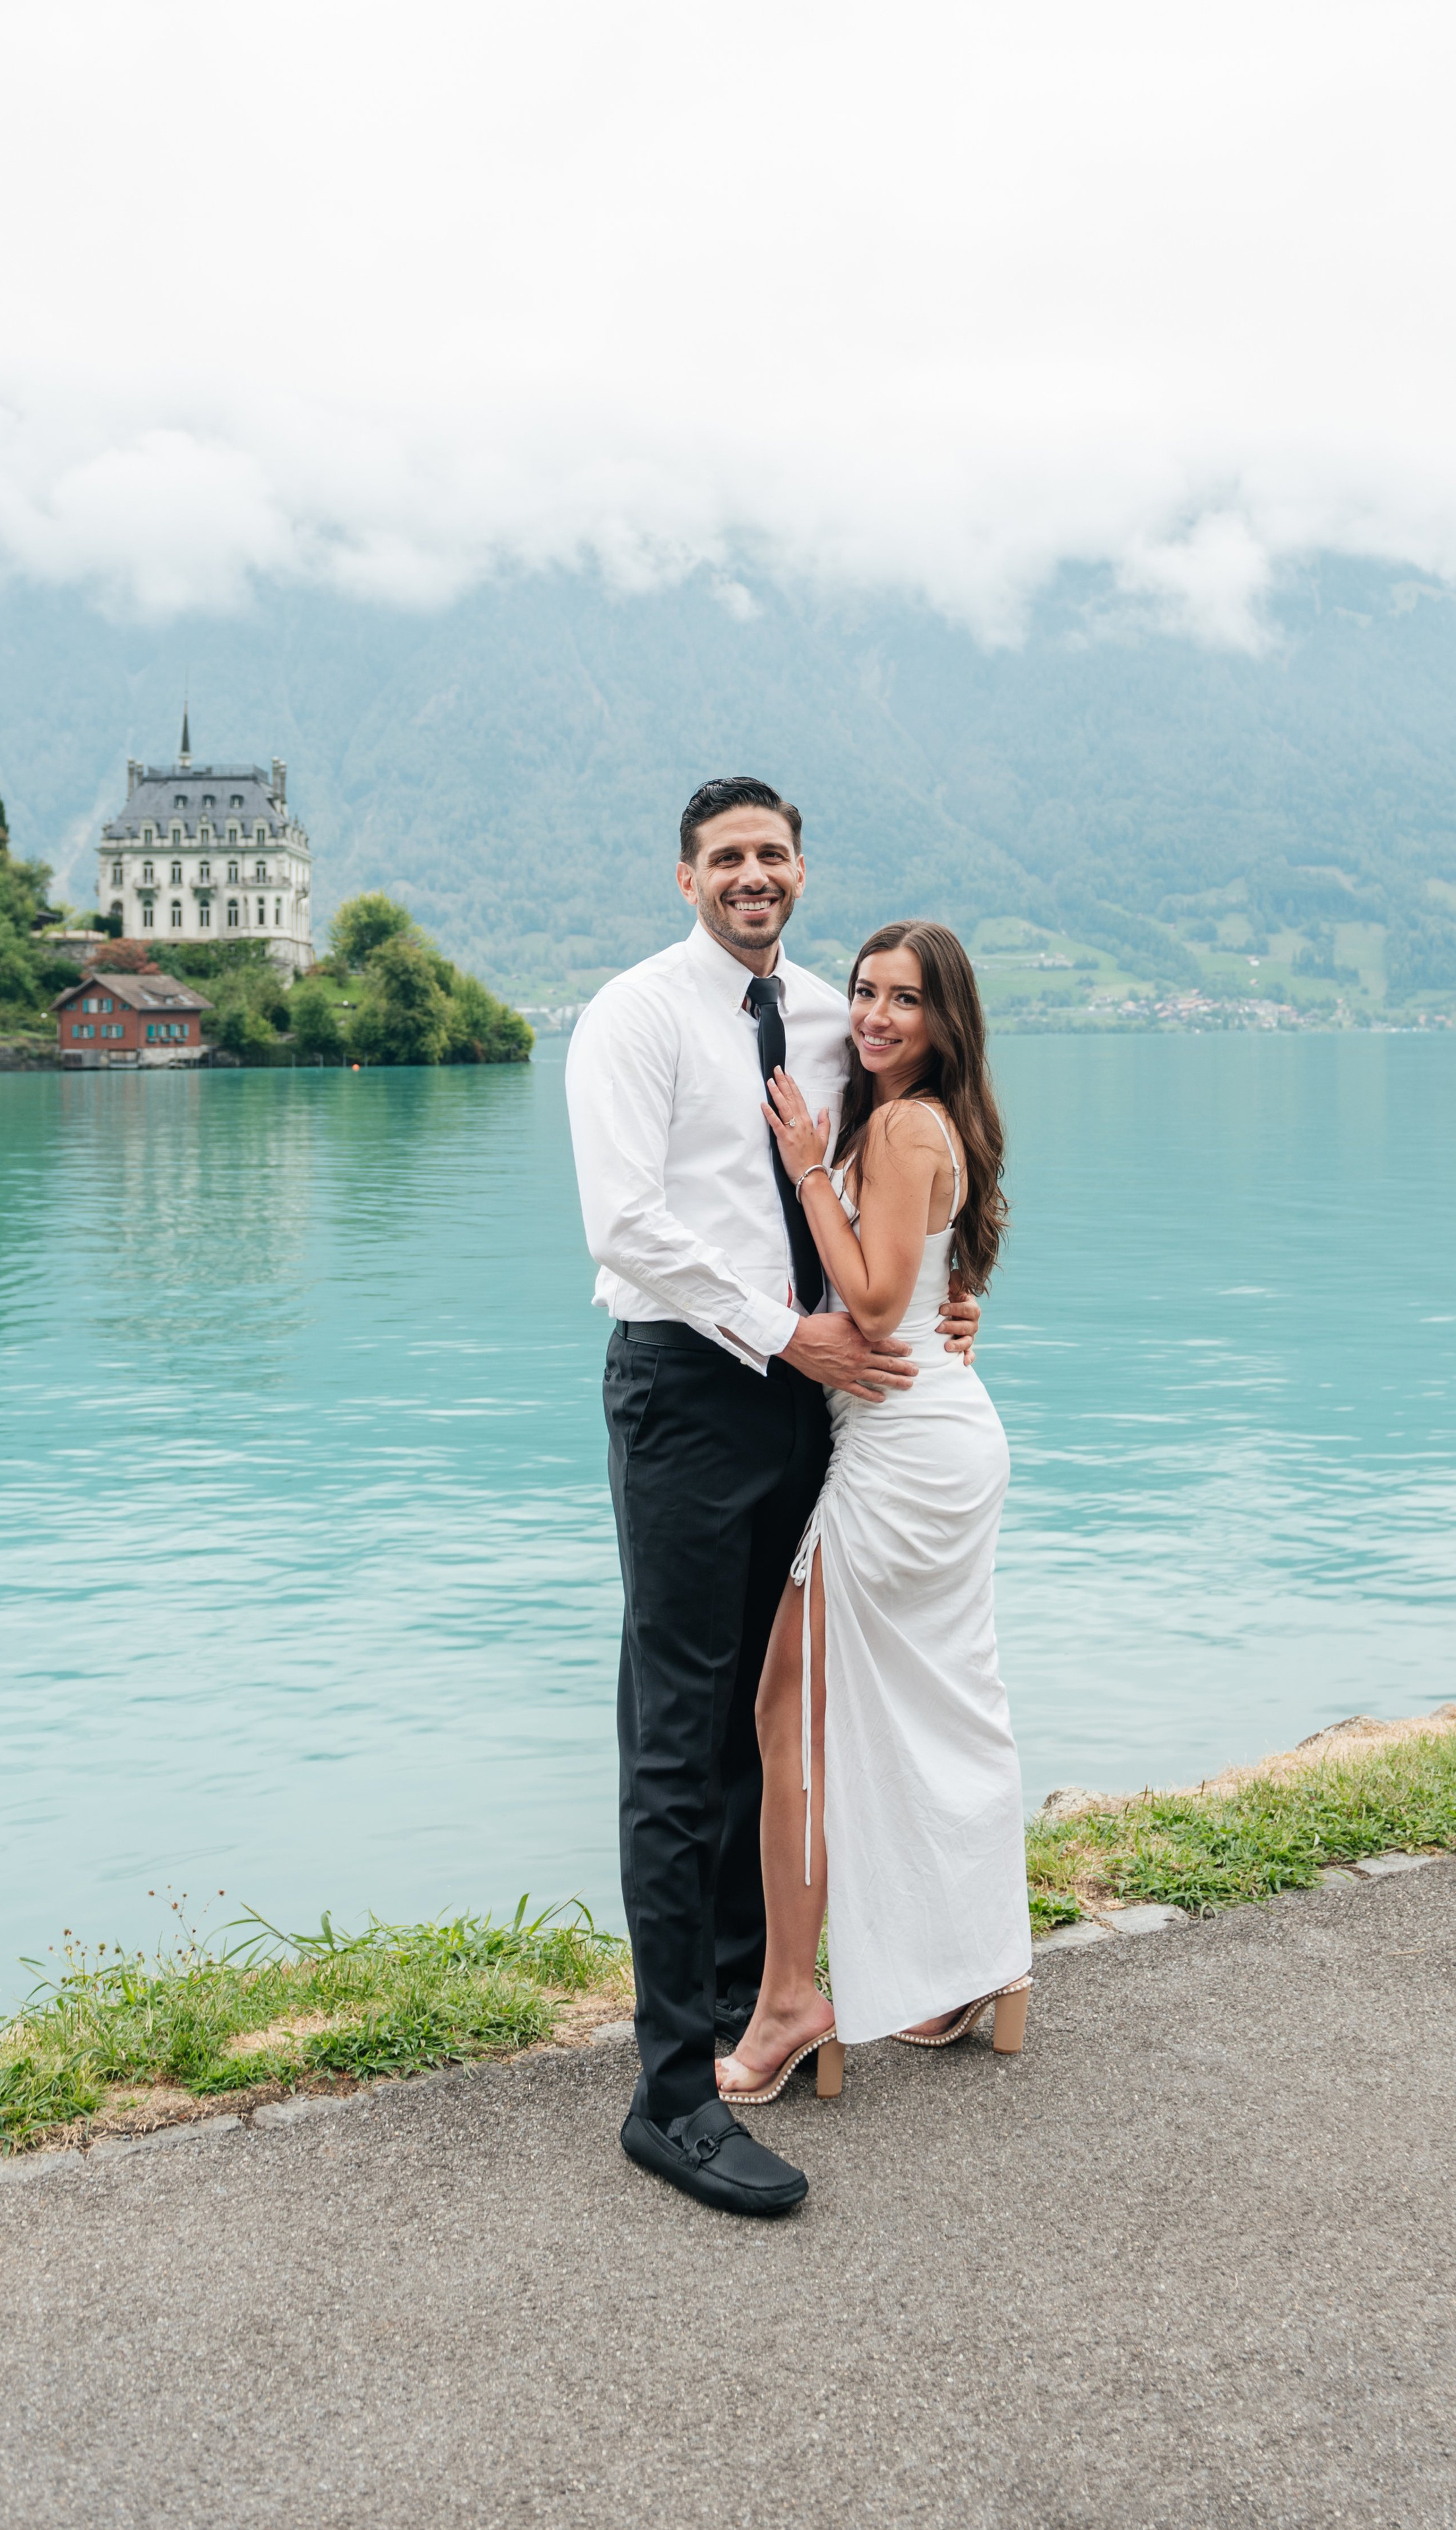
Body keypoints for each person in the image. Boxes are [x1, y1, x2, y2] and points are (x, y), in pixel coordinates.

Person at [565, 783, 981, 2218]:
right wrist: (780, 1329)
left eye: (772, 854)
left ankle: (762, 2003)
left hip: (814, 1405)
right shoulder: (631, 1016)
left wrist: (948, 1307)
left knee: (765, 1718)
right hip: (686, 1391)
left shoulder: (828, 1016)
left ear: (800, 871)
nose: (753, 875)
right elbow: (626, 1223)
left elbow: (910, 1176)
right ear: (684, 874)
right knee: (676, 1731)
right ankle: (667, 2092)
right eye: (726, 857)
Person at [714, 921, 1031, 2110]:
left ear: (947, 1019)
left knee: (787, 1710)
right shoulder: (928, 1120)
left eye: (906, 999)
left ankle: (793, 1997)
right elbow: (941, 1279)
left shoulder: (897, 1123)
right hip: (938, 1434)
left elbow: (880, 1293)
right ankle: (974, 1968)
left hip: (904, 1453)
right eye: (863, 991)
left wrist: (804, 1162)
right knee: (945, 1702)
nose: (877, 1015)